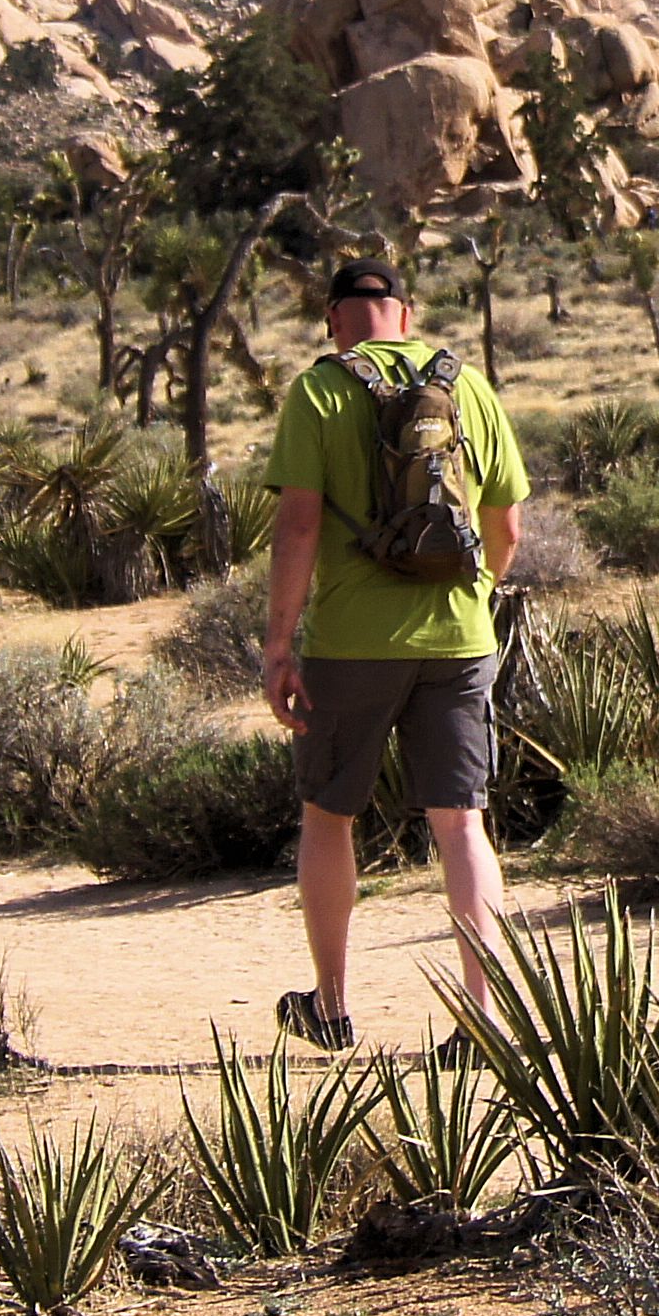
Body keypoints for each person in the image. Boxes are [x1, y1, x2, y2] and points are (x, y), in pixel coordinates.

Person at [260, 256, 527, 1051]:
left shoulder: (318, 389)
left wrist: (280, 645)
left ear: (335, 318)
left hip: (350, 640)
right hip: (459, 637)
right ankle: (482, 1018)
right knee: (461, 824)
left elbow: (299, 526)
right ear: (404, 315)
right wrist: (474, 596)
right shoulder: (468, 386)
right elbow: (507, 527)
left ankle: (333, 1006)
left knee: (328, 814)